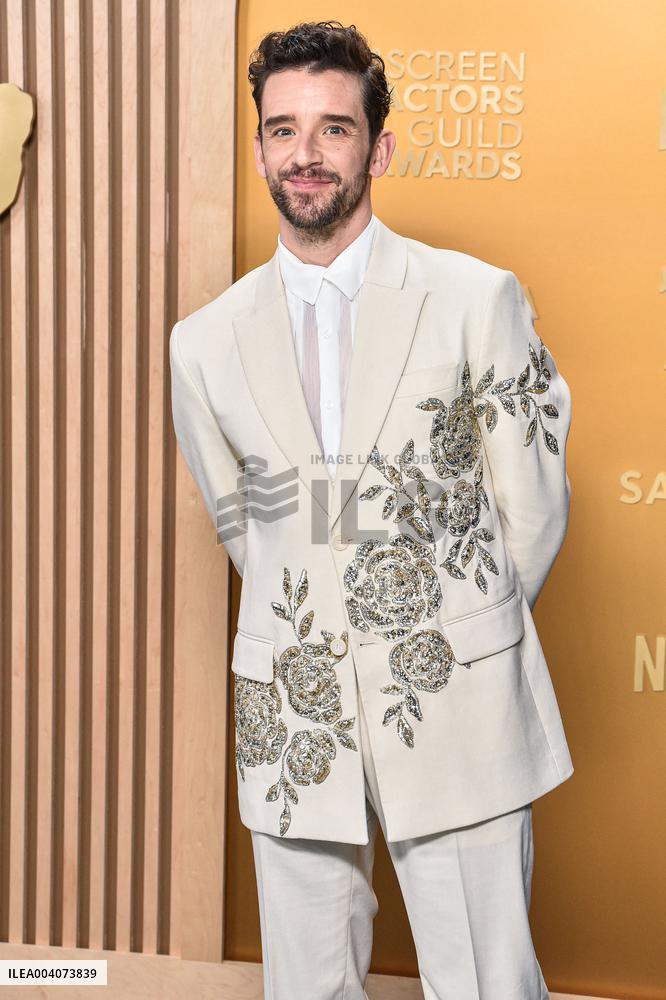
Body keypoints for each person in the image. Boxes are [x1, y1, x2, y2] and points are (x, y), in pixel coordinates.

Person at [169, 19, 574, 1000]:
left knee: (486, 986)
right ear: (261, 144)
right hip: (295, 705)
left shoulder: (476, 298)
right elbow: (249, 525)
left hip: (460, 699)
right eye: (282, 129)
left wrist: (450, 632)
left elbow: (533, 508)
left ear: (377, 147)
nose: (305, 153)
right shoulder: (203, 343)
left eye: (334, 128)